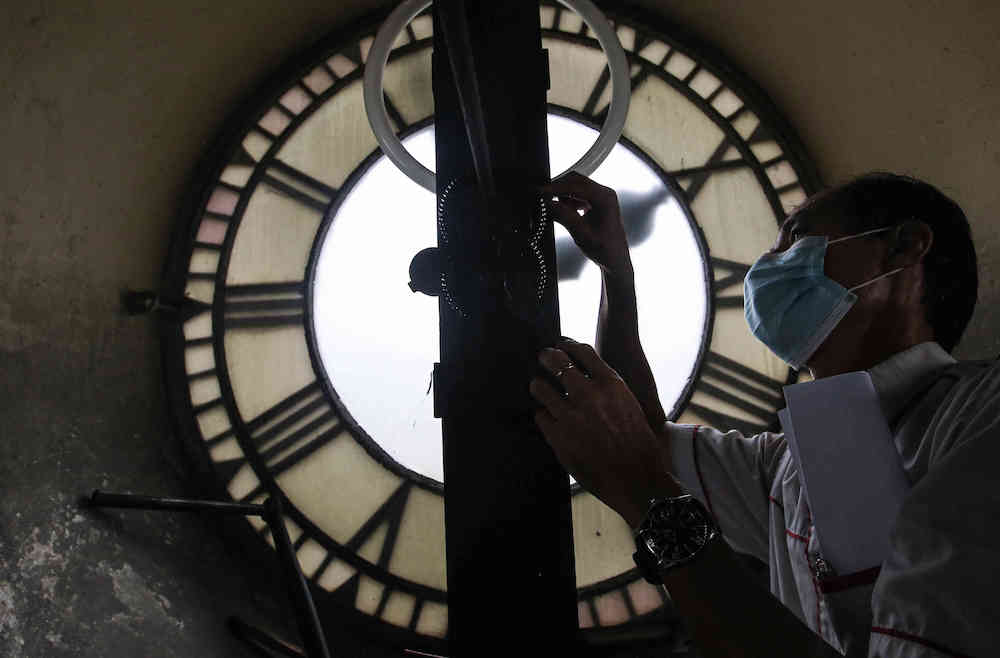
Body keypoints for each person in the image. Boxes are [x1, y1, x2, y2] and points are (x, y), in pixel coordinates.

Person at [529, 171, 997, 657]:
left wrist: (650, 497)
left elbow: (643, 463)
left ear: (904, 248)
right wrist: (615, 275)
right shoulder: (790, 469)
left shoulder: (983, 420)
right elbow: (646, 441)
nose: (767, 266)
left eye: (795, 238)